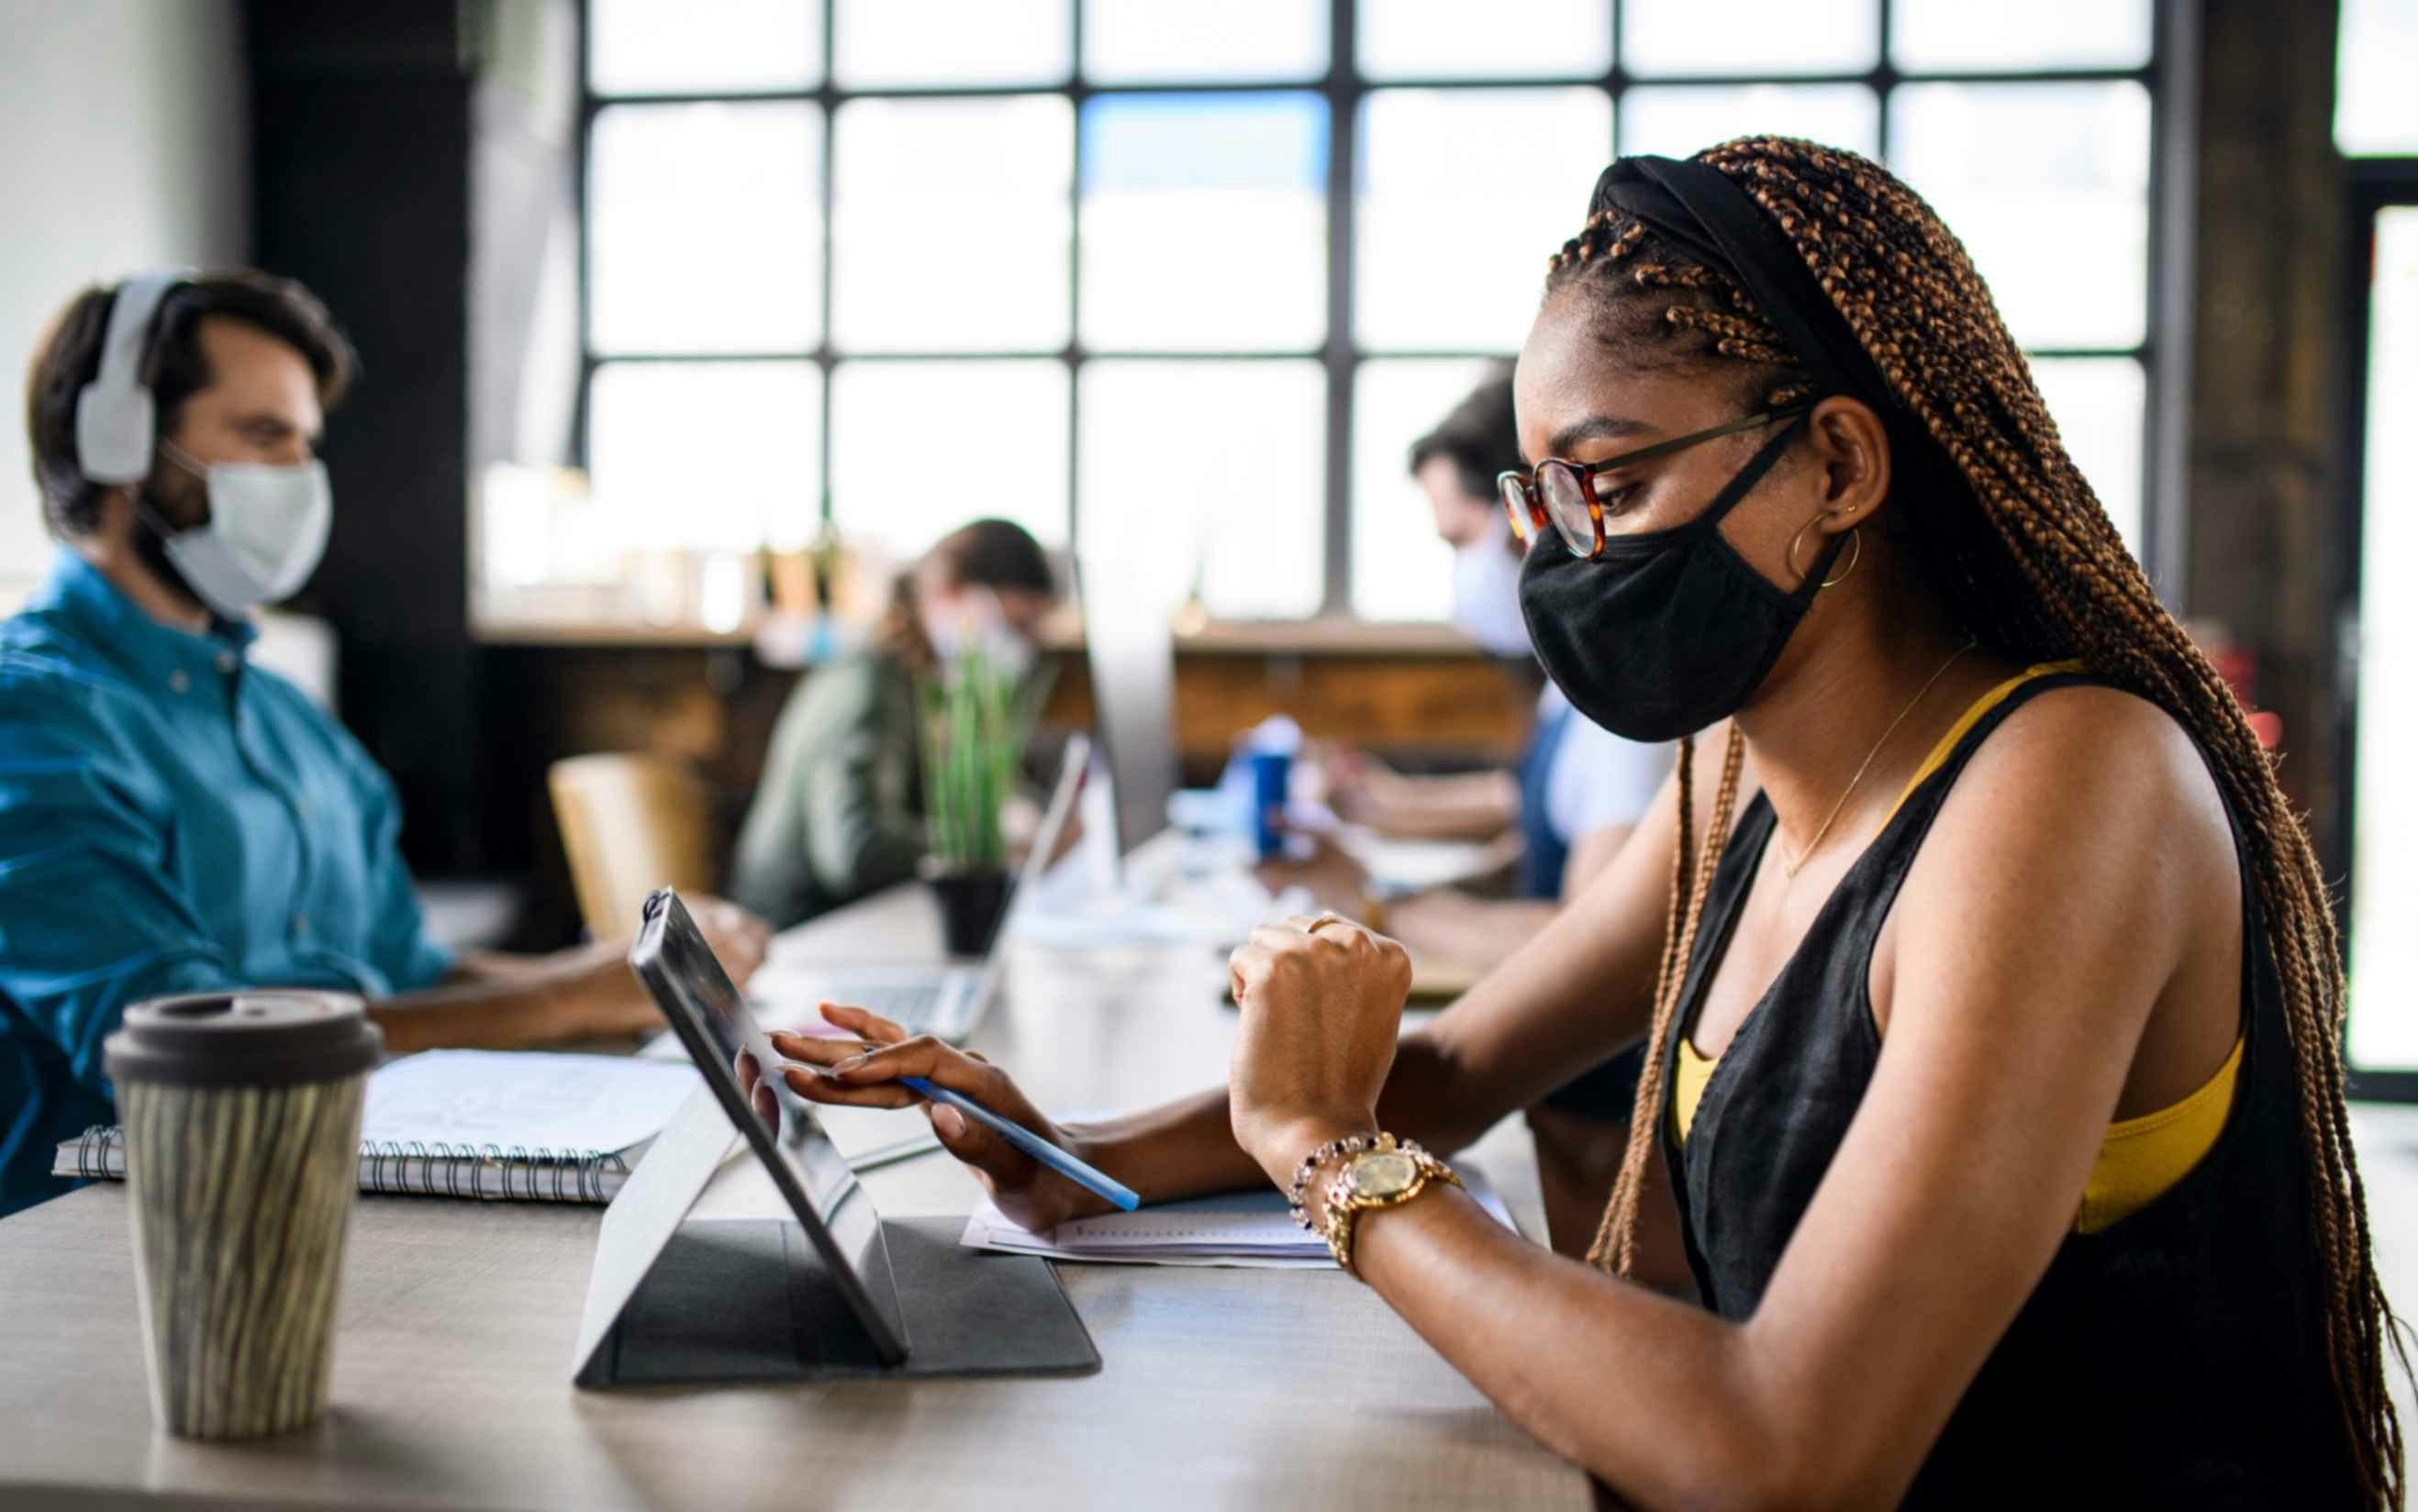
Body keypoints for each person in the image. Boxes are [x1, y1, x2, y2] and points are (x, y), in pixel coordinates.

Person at [768, 140, 2402, 1505]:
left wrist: (1329, 1158)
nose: (1562, 552)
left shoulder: (2067, 786)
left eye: (1606, 483)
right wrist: (1073, 1158)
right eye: (1542, 496)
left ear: (1836, 461)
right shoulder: (1730, 772)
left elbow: (1795, 1445)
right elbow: (1468, 1069)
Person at [0, 272, 770, 1219]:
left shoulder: (290, 723)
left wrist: (632, 976)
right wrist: (563, 998)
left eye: (306, 444)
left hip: (339, 1195)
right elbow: (187, 1049)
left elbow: (409, 971)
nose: (300, 476)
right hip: (117, 1244)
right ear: (115, 441)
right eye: (263, 435)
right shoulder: (29, 720)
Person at [1271, 370, 1672, 1255]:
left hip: (1603, 1150)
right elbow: (1521, 829)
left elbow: (1587, 937)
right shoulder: (1580, 683)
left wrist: (1374, 906)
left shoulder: (1628, 715)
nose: (1462, 571)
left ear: (1538, 510)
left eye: (1461, 536)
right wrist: (1375, 822)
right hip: (1564, 1113)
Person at [730, 518, 1058, 930]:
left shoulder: (940, 684)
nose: (1026, 647)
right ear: (952, 592)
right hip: (802, 934)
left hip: (873, 920)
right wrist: (988, 842)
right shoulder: (865, 685)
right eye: (1019, 625)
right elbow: (856, 851)